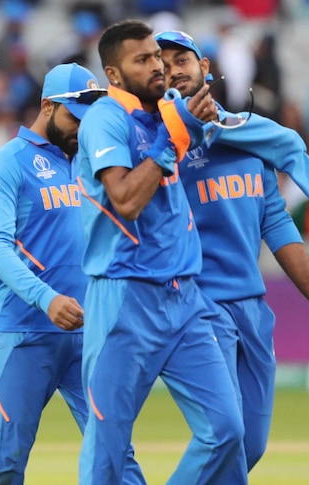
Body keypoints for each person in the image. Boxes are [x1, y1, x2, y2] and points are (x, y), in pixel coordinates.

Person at [156, 29, 309, 471]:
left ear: (204, 68)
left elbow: (275, 225)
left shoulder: (248, 138)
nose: (172, 69)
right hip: (196, 304)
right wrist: (176, 133)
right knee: (225, 436)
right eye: (161, 63)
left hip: (252, 307)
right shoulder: (160, 144)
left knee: (249, 447)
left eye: (181, 60)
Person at [75, 20, 245, 484]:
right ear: (113, 73)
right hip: (125, 297)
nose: (158, 67)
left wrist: (190, 124)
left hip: (184, 298)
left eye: (157, 57)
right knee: (108, 444)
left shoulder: (164, 113)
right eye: (143, 60)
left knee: (227, 431)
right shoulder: (105, 119)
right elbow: (126, 201)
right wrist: (175, 136)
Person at [0, 63, 146, 484]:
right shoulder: (9, 162)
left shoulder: (93, 162)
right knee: (7, 459)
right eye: (74, 117)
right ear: (48, 106)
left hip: (91, 333)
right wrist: (46, 298)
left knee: (116, 452)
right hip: (27, 330)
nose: (81, 128)